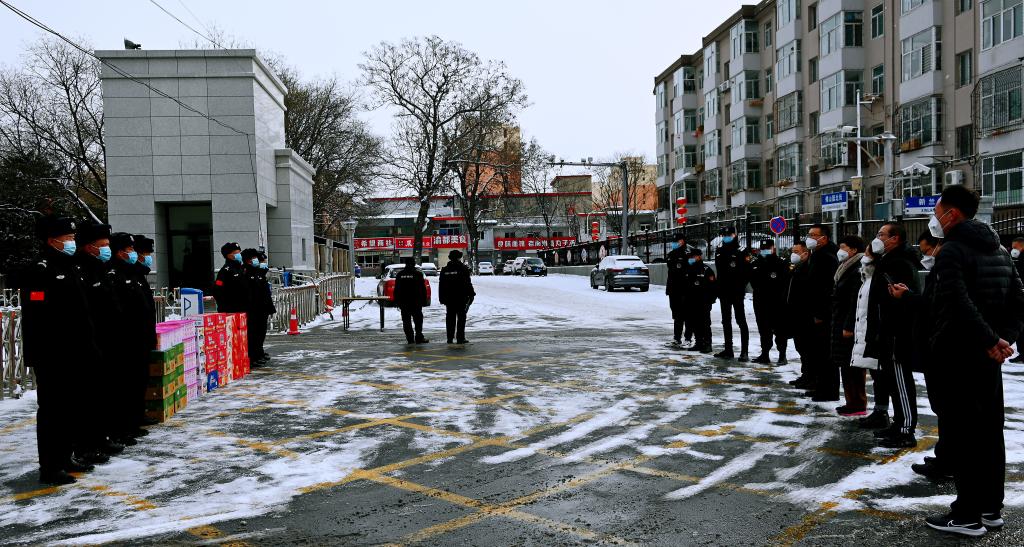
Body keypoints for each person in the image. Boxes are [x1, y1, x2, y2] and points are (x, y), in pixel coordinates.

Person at [924, 185, 1024, 537]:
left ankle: (967, 515)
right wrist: (1002, 339)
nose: (934, 218)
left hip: (958, 355)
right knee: (989, 433)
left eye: (937, 212)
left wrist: (991, 340)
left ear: (952, 214)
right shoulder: (999, 249)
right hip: (986, 358)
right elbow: (1018, 300)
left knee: (964, 435)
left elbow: (956, 302)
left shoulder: (952, 249)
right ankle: (990, 508)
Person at [18, 216, 100, 484]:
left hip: (75, 351)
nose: (72, 241)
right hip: (53, 354)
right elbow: (38, 317)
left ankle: (65, 457)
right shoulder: (40, 270)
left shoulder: (69, 265)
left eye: (73, 237)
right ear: (52, 240)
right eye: (68, 238)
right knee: (53, 411)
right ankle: (50, 466)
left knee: (70, 407)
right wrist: (45, 352)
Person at [891, 232, 949, 480]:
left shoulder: (949, 266)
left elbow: (933, 306)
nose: (925, 256)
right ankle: (946, 457)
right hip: (944, 344)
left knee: (948, 409)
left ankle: (948, 462)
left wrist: (906, 296)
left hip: (945, 347)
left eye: (927, 251)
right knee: (946, 410)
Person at [72, 222, 127, 463]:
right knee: (88, 398)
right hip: (92, 341)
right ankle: (87, 444)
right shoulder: (80, 270)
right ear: (89, 246)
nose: (107, 249)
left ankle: (101, 437)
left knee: (104, 394)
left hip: (108, 341)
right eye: (103, 245)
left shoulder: (100, 269)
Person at [867, 223, 922, 449]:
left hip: (897, 333)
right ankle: (898, 423)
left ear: (895, 238)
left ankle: (906, 430)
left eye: (881, 234)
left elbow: (900, 300)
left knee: (900, 381)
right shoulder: (888, 260)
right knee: (892, 381)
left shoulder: (899, 263)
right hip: (887, 331)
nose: (877, 238)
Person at [108, 233, 151, 447]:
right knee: (123, 386)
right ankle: (122, 427)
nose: (135, 254)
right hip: (124, 339)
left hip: (139, 337)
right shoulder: (114, 274)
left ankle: (134, 420)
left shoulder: (133, 273)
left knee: (137, 381)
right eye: (131, 250)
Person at [830, 235, 865, 411]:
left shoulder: (857, 269)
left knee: (852, 365)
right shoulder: (845, 267)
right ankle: (851, 401)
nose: (840, 251)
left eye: (843, 247)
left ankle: (857, 402)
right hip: (841, 320)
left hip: (848, 324)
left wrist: (849, 325)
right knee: (845, 363)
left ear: (853, 250)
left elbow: (854, 300)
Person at [804, 224, 839, 400]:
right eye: (809, 234)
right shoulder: (817, 254)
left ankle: (828, 390)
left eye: (813, 235)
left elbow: (825, 288)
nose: (809, 238)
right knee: (817, 352)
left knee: (825, 353)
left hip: (823, 313)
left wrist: (820, 313)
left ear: (823, 238)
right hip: (815, 311)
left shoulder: (827, 257)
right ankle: (819, 385)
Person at [749, 240, 790, 364]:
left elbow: (785, 282)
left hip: (777, 302)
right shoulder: (755, 263)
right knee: (763, 329)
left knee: (780, 330)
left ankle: (782, 355)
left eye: (767, 247)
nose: (765, 250)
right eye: (763, 248)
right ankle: (765, 354)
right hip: (760, 302)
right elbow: (753, 282)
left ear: (773, 248)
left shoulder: (781, 263)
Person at [714, 227, 751, 361]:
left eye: (729, 234)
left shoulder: (741, 251)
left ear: (735, 235)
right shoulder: (719, 250)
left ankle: (744, 352)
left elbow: (747, 273)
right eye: (724, 235)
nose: (726, 237)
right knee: (726, 321)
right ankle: (728, 350)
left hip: (736, 292)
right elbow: (719, 272)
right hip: (724, 292)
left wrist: (740, 287)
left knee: (741, 320)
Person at [132, 235, 157, 427]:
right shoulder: (125, 275)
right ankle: (129, 421)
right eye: (145, 253)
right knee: (131, 381)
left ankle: (138, 415)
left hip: (142, 335)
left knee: (140, 379)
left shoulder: (139, 275)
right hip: (131, 336)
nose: (149, 257)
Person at [785, 241, 814, 388]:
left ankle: (810, 377)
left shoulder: (807, 268)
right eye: (792, 251)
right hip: (795, 313)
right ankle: (805, 375)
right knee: (801, 346)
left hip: (804, 314)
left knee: (807, 348)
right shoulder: (796, 267)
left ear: (805, 253)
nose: (793, 254)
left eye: (796, 252)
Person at [241, 249, 275, 364]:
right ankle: (253, 356)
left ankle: (259, 353)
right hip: (253, 309)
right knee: (253, 334)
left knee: (261, 332)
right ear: (248, 260)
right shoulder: (246, 272)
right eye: (254, 258)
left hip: (262, 308)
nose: (259, 261)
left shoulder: (258, 272)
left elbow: (264, 291)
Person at [439, 250, 475, 344]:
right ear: (459, 257)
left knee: (450, 318)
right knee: (461, 318)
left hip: (449, 298)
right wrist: (471, 294)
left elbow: (441, 285)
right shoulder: (463, 268)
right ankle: (460, 338)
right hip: (461, 298)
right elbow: (468, 283)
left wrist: (441, 298)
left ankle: (449, 338)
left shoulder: (445, 270)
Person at [684, 248, 716, 354]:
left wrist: (710, 300)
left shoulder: (706, 270)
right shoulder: (688, 269)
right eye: (690, 257)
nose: (691, 258)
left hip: (703, 302)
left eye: (693, 256)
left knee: (705, 324)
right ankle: (698, 343)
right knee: (694, 323)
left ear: (699, 256)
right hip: (691, 302)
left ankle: (707, 344)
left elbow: (713, 287)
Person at [665, 232, 692, 347]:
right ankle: (677, 338)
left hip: (685, 289)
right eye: (673, 241)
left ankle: (688, 338)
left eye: (676, 241)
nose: (674, 243)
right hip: (673, 289)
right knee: (677, 315)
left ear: (682, 241)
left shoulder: (688, 254)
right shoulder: (671, 254)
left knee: (687, 315)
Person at [394, 257, 428, 344]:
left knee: (406, 321)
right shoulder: (418, 274)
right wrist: (424, 301)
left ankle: (410, 338)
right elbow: (422, 289)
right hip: (416, 302)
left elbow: (397, 289)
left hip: (404, 302)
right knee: (418, 320)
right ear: (414, 264)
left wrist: (397, 301)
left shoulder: (400, 274)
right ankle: (419, 337)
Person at [212, 242, 250, 313]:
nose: (240, 255)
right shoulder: (225, 271)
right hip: (231, 310)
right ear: (229, 255)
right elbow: (217, 290)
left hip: (244, 309)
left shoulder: (241, 269)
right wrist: (225, 307)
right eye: (236, 253)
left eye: (240, 252)